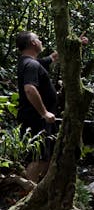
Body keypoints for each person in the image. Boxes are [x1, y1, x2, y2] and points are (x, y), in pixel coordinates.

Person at [16, 31, 87, 180]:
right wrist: (44, 113)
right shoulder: (31, 65)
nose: (41, 41)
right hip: (35, 119)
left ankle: (36, 192)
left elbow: (54, 57)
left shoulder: (31, 62)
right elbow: (29, 89)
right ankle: (26, 195)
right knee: (39, 158)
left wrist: (75, 44)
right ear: (33, 43)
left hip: (40, 120)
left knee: (47, 157)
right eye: (38, 38)